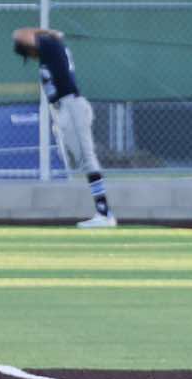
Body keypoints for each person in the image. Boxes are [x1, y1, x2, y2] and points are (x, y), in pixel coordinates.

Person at [11, 26, 117, 228]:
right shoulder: (48, 50)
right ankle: (103, 212)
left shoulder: (48, 44)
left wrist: (48, 32)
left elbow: (19, 33)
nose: (31, 56)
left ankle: (104, 213)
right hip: (62, 110)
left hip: (71, 106)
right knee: (73, 162)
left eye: (28, 52)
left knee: (87, 158)